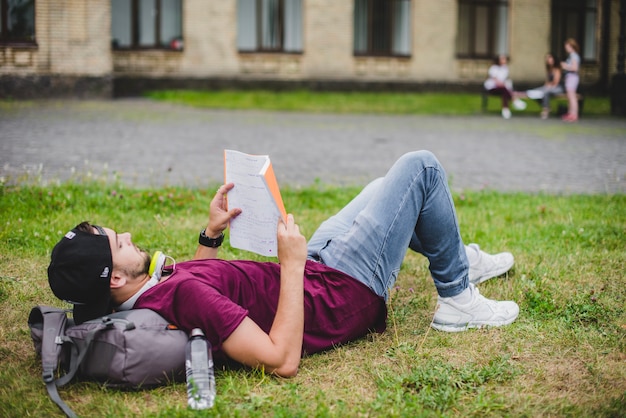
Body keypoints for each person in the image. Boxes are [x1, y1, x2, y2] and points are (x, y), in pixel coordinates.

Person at [48, 150, 519, 377]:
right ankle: (457, 295)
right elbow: (281, 360)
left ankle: (452, 258)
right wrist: (291, 266)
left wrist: (210, 234)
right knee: (421, 169)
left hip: (318, 267)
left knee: (385, 187)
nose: (127, 235)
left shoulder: (152, 291)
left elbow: (199, 289)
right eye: (117, 242)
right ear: (114, 277)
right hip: (342, 289)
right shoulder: (177, 295)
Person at [483, 54, 527, 119]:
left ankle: (506, 110)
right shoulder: (493, 68)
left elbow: (504, 80)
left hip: (502, 89)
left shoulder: (505, 68)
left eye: (505, 59)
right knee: (504, 89)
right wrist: (505, 86)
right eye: (502, 59)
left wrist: (507, 87)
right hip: (492, 88)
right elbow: (496, 81)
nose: (504, 60)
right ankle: (514, 101)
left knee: (504, 92)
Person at [524, 53, 564, 119]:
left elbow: (556, 82)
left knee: (545, 93)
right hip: (549, 87)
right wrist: (545, 86)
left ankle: (545, 110)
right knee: (534, 92)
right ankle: (547, 106)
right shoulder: (549, 69)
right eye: (547, 58)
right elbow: (547, 81)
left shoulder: (557, 69)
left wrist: (548, 87)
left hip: (558, 87)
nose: (548, 60)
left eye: (550, 58)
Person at [560, 38, 581, 122]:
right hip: (570, 77)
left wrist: (565, 66)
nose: (566, 48)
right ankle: (570, 113)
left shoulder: (574, 56)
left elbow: (574, 68)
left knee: (572, 97)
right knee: (569, 96)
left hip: (572, 77)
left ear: (571, 46)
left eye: (567, 46)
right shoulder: (572, 55)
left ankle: (574, 114)